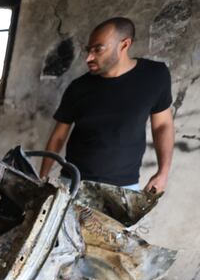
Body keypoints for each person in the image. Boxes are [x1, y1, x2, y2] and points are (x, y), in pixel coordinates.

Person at [40, 17, 174, 193]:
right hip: (73, 185)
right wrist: (42, 178)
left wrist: (163, 173)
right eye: (88, 50)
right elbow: (58, 136)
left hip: (124, 188)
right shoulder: (78, 87)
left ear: (124, 45)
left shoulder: (155, 75)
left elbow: (163, 125)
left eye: (98, 49)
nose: (89, 57)